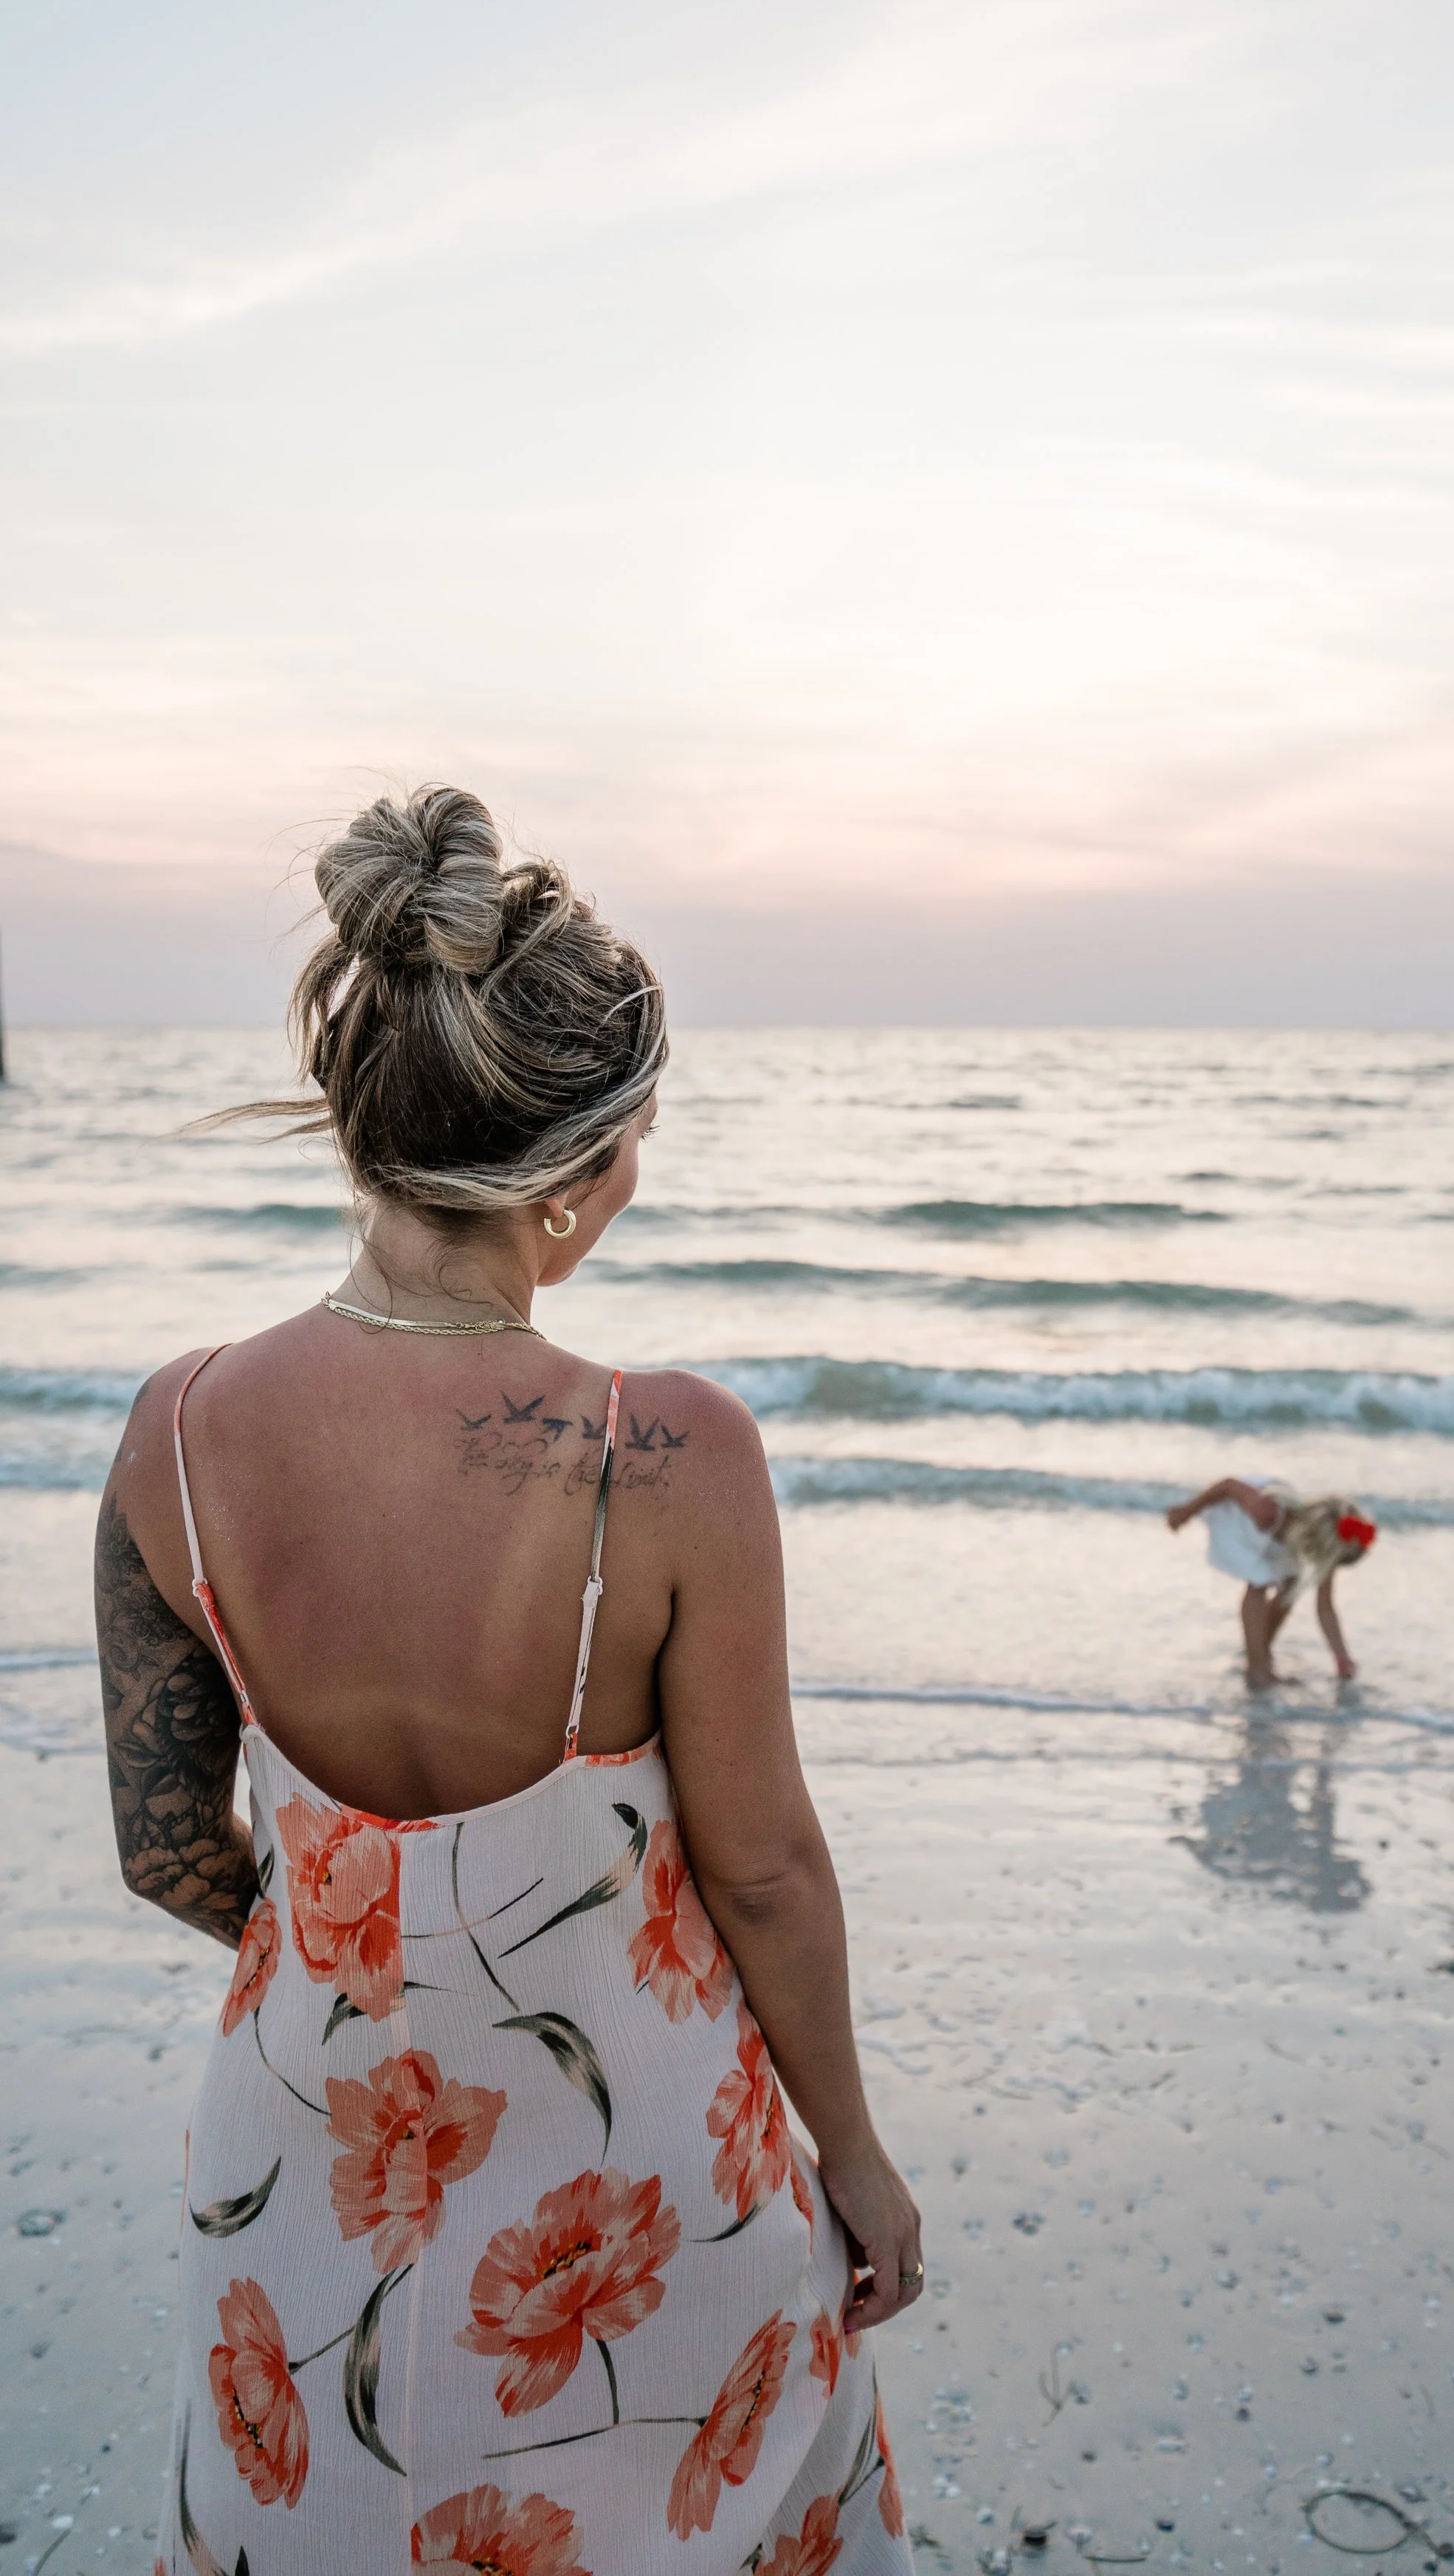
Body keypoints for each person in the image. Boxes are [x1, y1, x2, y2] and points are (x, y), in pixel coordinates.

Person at [94, 786, 917, 2576]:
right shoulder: (668, 1453)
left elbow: (166, 1850)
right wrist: (851, 2149)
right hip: (643, 2184)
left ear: (363, 1119)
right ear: (585, 1169)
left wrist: (362, 1954)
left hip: (306, 2161)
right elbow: (763, 1865)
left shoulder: (172, 1432)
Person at [1165, 1472, 1376, 1689]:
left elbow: (1325, 1608)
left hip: (1285, 1537)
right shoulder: (1268, 1511)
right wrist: (1187, 1511)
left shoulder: (1323, 1547)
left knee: (1292, 1586)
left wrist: (1342, 1658)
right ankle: (1257, 1669)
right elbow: (1228, 1486)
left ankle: (1262, 1649)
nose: (1328, 1567)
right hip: (1240, 1517)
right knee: (1259, 1582)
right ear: (1319, 1543)